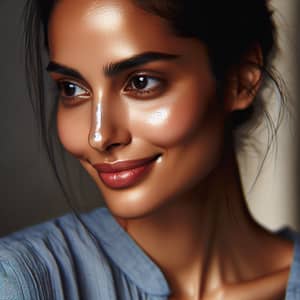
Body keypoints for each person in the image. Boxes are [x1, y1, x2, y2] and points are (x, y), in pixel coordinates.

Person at [0, 0, 298, 299]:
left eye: (141, 83)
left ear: (240, 81)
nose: (99, 135)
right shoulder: (19, 281)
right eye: (72, 89)